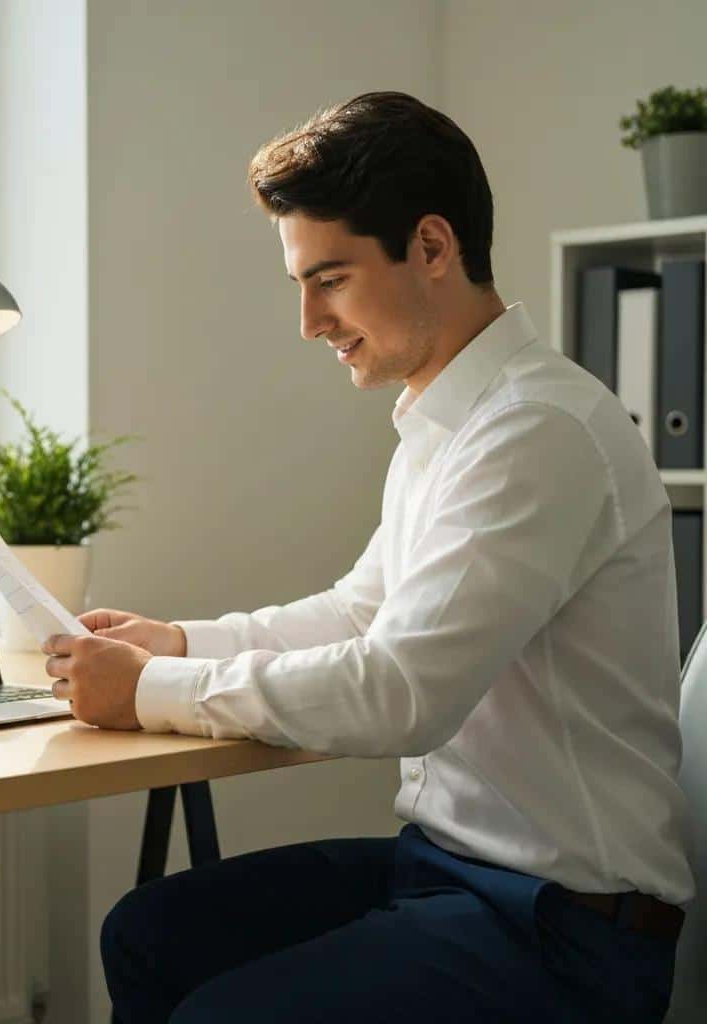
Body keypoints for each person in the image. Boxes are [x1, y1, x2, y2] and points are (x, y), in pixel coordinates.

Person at [40, 91, 694, 1023]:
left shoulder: (537, 430)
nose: (309, 321)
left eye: (331, 279)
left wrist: (145, 690)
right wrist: (181, 644)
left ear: (432, 248)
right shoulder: (449, 423)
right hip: (452, 873)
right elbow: (362, 614)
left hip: (565, 930)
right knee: (147, 933)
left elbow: (401, 691)